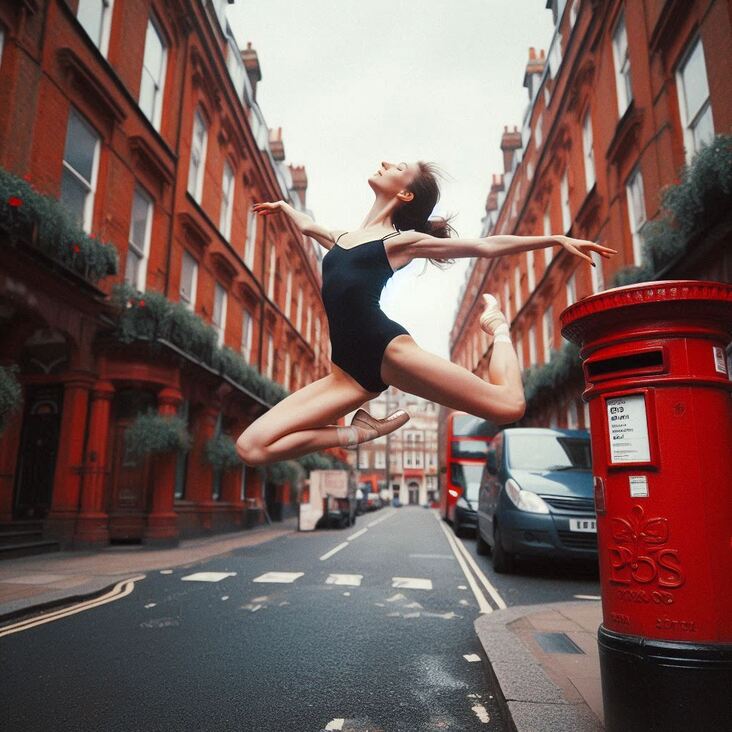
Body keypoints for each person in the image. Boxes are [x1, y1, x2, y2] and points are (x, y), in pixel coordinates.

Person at [236, 160, 617, 465]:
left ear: (403, 193)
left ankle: (497, 327)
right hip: (346, 374)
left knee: (509, 407)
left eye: (397, 167)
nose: (385, 162)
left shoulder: (399, 242)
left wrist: (555, 238)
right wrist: (286, 207)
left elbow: (485, 246)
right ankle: (360, 433)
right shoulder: (341, 239)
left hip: (387, 350)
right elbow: (309, 228)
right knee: (251, 447)